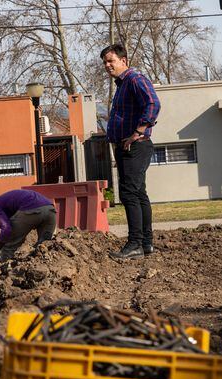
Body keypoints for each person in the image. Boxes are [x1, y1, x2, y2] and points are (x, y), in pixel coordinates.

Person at [101, 44, 161, 259]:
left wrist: (138, 132)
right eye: (105, 63)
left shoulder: (135, 79)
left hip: (135, 145)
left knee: (129, 194)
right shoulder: (122, 84)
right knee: (138, 193)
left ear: (124, 61)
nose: (107, 66)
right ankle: (146, 243)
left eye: (111, 61)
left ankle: (135, 243)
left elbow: (153, 104)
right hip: (127, 146)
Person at [0, 190, 57, 263]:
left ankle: (1, 271)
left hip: (31, 209)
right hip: (50, 210)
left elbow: (6, 229)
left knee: (9, 246)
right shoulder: (6, 203)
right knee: (43, 246)